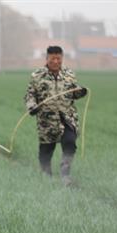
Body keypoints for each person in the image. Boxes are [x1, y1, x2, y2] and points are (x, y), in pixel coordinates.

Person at [24, 45, 88, 186]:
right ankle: (46, 179)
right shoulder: (37, 76)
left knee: (70, 142)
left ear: (62, 58)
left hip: (67, 118)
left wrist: (80, 92)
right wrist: (31, 106)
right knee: (46, 151)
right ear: (47, 59)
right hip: (46, 121)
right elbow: (30, 95)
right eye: (52, 58)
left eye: (58, 58)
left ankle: (65, 175)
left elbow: (73, 93)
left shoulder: (69, 74)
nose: (55, 62)